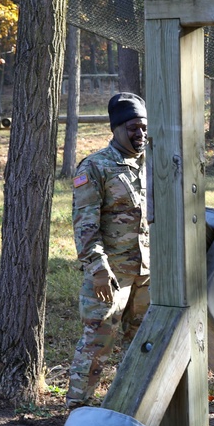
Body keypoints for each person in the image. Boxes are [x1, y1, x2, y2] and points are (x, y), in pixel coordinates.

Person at [66, 92, 150, 409]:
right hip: (110, 277)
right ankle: (78, 410)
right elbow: (85, 225)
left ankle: (131, 406)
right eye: (132, 127)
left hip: (145, 274)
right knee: (97, 344)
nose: (140, 133)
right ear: (116, 129)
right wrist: (98, 269)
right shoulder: (96, 166)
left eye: (143, 127)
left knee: (141, 343)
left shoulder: (149, 166)